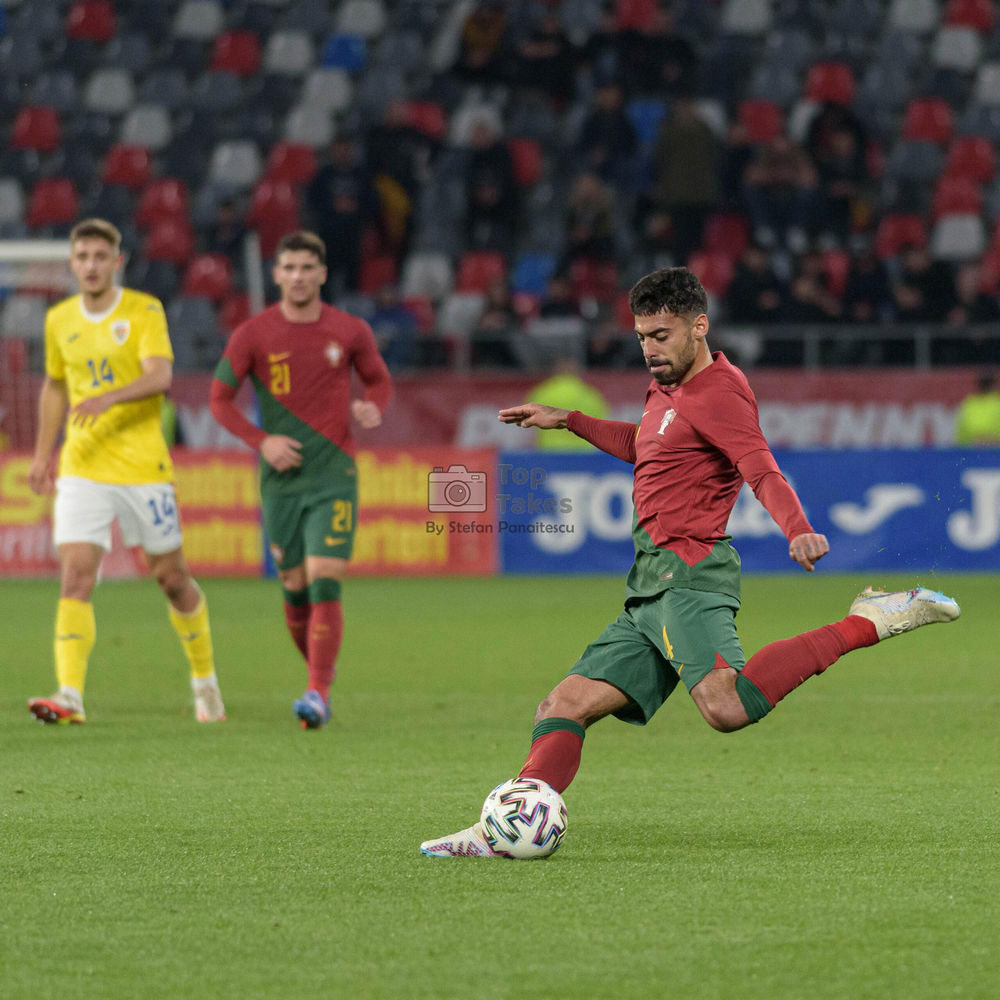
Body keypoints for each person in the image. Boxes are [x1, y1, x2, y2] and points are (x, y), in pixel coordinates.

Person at [420, 266, 960, 858]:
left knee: (726, 707)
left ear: (699, 326)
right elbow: (645, 445)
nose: (650, 350)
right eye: (642, 337)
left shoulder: (720, 392)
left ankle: (869, 620)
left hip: (689, 575)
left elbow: (761, 468)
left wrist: (798, 528)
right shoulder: (667, 385)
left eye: (662, 335)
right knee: (561, 706)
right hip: (650, 585)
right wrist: (569, 420)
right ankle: (499, 831)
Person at [27, 218, 225, 725]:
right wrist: (44, 453)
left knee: (172, 579)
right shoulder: (60, 320)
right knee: (76, 574)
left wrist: (108, 398)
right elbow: (55, 385)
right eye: (82, 257)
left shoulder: (143, 310)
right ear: (71, 264)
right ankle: (70, 695)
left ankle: (204, 680)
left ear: (118, 262)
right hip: (82, 464)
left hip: (142, 466)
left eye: (100, 257)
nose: (91, 266)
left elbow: (160, 375)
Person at [209, 231, 393, 729]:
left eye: (307, 267)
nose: (298, 276)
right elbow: (219, 399)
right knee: (294, 586)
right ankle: (319, 674)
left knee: (323, 577)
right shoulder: (253, 333)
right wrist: (261, 440)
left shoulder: (349, 330)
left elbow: (378, 380)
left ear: (322, 273)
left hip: (334, 472)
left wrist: (372, 406)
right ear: (276, 274)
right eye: (289, 267)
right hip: (280, 480)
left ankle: (317, 692)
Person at [527, 357, 610, 452]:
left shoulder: (542, 393)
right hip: (584, 452)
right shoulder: (590, 395)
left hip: (550, 451)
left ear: (554, 371)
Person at [954, 371, 1000, 446]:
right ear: (994, 385)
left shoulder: (969, 403)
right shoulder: (969, 404)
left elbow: (961, 437)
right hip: (975, 449)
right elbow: (961, 436)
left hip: (981, 449)